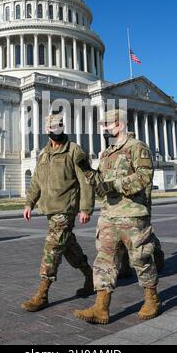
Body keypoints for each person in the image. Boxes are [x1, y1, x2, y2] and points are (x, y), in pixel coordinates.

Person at [73, 109, 161, 324]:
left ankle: (152, 299)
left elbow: (144, 177)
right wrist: (86, 169)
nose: (104, 128)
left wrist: (114, 185)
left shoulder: (136, 148)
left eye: (107, 124)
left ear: (120, 125)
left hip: (132, 214)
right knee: (104, 261)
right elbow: (101, 187)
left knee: (140, 258)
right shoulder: (106, 154)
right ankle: (101, 307)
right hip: (109, 215)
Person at [21, 114, 95, 312]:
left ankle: (42, 293)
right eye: (52, 126)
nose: (56, 129)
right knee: (68, 245)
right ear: (47, 129)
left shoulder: (74, 150)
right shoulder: (44, 153)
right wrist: (29, 203)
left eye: (59, 125)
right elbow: (36, 181)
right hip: (49, 209)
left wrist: (86, 208)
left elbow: (86, 180)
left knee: (52, 247)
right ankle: (90, 276)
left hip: (65, 209)